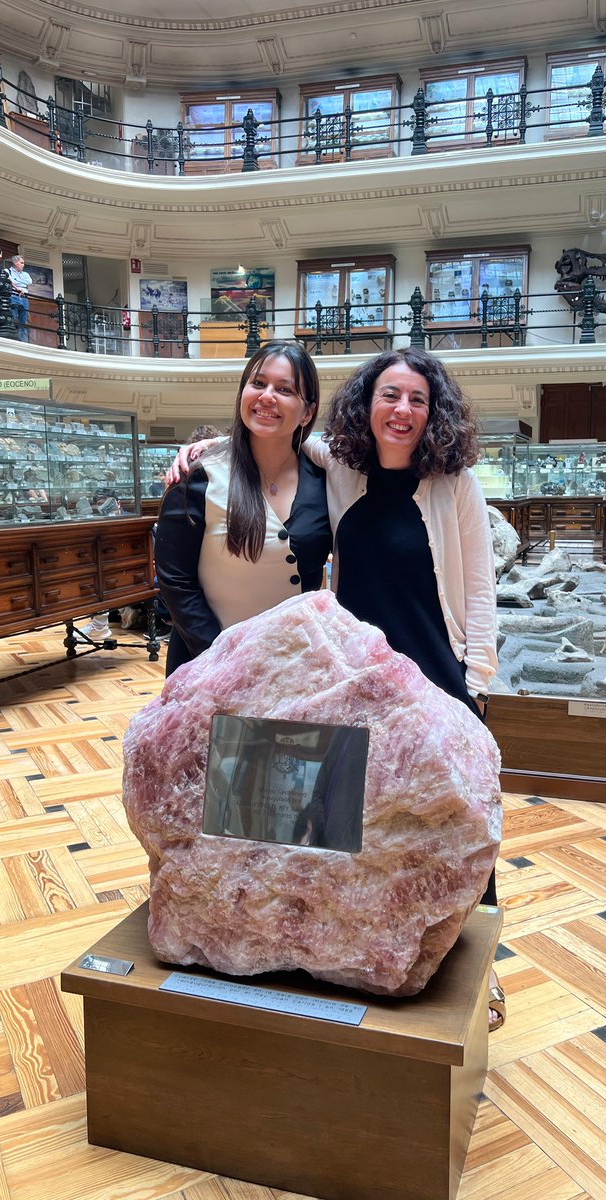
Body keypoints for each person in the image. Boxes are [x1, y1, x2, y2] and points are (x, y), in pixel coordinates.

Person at [170, 347, 503, 1028]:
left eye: (416, 399)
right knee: (352, 822)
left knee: (463, 828)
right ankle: (350, 948)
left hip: (437, 677)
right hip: (355, 680)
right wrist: (207, 444)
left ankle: (481, 970)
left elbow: (480, 590)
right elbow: (279, 429)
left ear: (433, 409)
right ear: (366, 405)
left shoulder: (455, 483)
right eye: (389, 396)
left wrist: (476, 683)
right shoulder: (341, 467)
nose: (401, 411)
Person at [155, 340, 331, 677]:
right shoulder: (198, 476)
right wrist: (223, 660)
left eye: (285, 389)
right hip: (207, 664)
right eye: (258, 383)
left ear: (307, 411)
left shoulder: (325, 481)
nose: (267, 396)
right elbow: (176, 581)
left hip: (293, 667)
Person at [7, 254, 32, 342]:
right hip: (13, 296)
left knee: (23, 320)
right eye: (21, 263)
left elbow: (29, 282)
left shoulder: (26, 274)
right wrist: (18, 283)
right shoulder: (7, 271)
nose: (23, 265)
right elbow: (9, 280)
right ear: (15, 263)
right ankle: (12, 338)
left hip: (24, 298)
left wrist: (16, 281)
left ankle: (23, 340)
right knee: (12, 318)